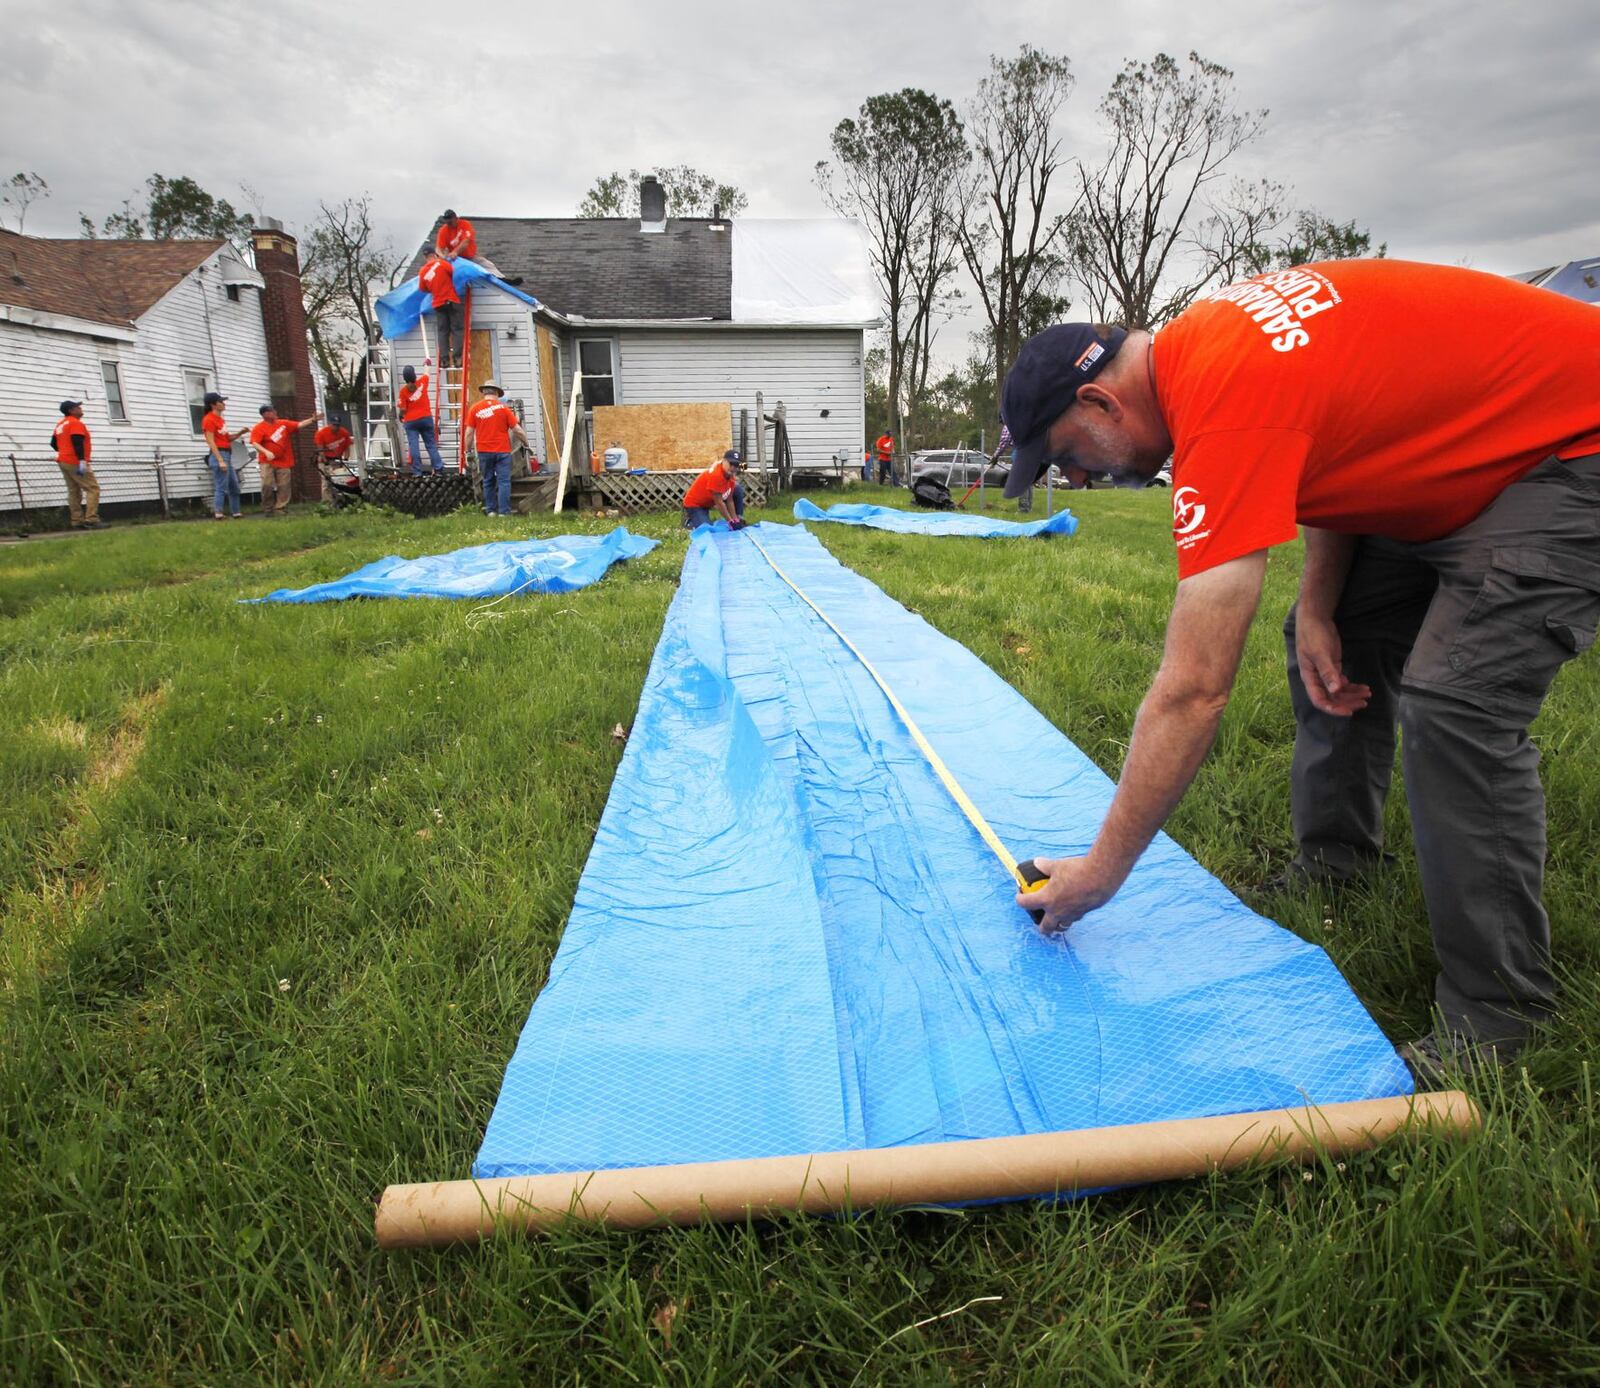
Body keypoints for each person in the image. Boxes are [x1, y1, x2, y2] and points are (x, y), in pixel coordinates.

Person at [997, 261, 1600, 1080]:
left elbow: (1195, 688)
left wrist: (1102, 874)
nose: (1077, 479)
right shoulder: (1212, 347)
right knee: (1327, 633)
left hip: (1568, 451)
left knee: (1457, 703)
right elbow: (1337, 453)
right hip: (1479, 460)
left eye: (1070, 455)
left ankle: (1500, 1018)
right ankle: (1337, 860)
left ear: (1102, 402)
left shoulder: (1223, 402)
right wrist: (1319, 603)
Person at [464, 381, 527, 515]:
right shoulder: (504, 409)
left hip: (484, 451)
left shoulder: (475, 409)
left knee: (488, 481)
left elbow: (469, 433)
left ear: (484, 392)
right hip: (502, 451)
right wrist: (526, 443)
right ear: (497, 393)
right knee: (504, 481)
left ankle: (491, 511)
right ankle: (504, 512)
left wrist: (467, 451)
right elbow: (517, 430)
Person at [249, 404, 320, 517]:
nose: (275, 412)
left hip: (284, 460)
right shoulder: (259, 428)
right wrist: (266, 452)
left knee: (284, 485)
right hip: (267, 461)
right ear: (265, 414)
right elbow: (255, 442)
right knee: (267, 484)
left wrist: (312, 420)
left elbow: (299, 425)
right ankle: (268, 507)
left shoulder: (283, 424)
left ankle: (280, 508)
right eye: (272, 411)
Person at [52, 400, 104, 529]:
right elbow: (77, 441)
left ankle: (76, 521)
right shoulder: (76, 423)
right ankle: (91, 519)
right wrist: (81, 460)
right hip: (76, 462)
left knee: (74, 490)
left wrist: (64, 451)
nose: (80, 408)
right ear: (71, 410)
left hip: (63, 461)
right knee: (92, 488)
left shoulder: (60, 424)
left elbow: (53, 443)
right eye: (77, 407)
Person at [434, 209, 521, 283]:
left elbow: (466, 241)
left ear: (456, 218)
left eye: (450, 220)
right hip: (457, 260)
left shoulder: (464, 224)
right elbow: (438, 248)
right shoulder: (443, 230)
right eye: (447, 221)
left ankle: (502, 280)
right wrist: (443, 256)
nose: (449, 223)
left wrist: (455, 252)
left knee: (487, 265)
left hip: (470, 256)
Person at [681, 449, 747, 530]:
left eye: (736, 465)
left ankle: (739, 517)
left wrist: (735, 520)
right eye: (731, 464)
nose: (733, 467)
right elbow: (719, 503)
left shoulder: (731, 476)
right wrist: (730, 521)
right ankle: (689, 521)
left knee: (738, 489)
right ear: (724, 461)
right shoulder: (716, 475)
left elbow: (730, 500)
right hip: (694, 505)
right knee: (705, 528)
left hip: (708, 501)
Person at [201, 391, 242, 520]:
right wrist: (220, 460)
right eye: (221, 401)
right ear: (213, 404)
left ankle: (236, 512)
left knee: (234, 485)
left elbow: (226, 438)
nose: (224, 404)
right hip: (219, 454)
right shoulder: (208, 419)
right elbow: (211, 441)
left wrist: (240, 433)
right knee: (221, 486)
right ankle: (218, 513)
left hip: (227, 454)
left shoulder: (220, 420)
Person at [397, 365, 444, 475]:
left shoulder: (403, 391)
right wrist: (426, 364)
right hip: (426, 418)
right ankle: (438, 469)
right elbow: (427, 372)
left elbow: (403, 409)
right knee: (431, 444)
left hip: (411, 422)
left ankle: (417, 472)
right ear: (414, 375)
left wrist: (400, 415)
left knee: (414, 445)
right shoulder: (422, 382)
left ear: (404, 378)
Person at [418, 251, 461, 369]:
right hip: (450, 300)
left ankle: (444, 360)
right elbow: (453, 272)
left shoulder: (423, 271)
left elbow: (422, 288)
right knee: (456, 329)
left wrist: (434, 289)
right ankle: (457, 358)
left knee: (443, 331)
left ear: (425, 257)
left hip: (438, 304)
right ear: (435, 255)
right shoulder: (442, 264)